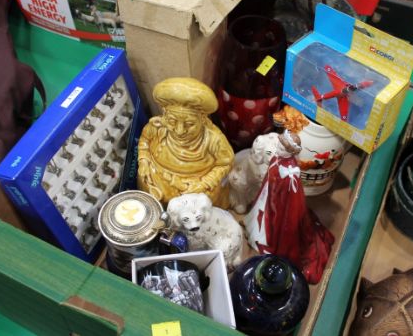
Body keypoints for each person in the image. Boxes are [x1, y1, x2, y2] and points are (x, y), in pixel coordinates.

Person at [244, 130, 334, 284]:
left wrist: (277, 202)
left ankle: (272, 239)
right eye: (279, 145)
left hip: (279, 204)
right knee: (261, 215)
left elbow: (291, 196)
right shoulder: (278, 158)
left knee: (277, 226)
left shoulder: (290, 172)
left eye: (283, 148)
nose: (279, 149)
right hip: (268, 196)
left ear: (290, 152)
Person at [138, 78, 234, 209]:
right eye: (172, 121)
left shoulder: (213, 138)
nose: (179, 131)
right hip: (156, 177)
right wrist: (144, 160)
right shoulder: (157, 126)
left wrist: (204, 183)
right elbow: (144, 141)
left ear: (202, 119)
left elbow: (225, 163)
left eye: (189, 124)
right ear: (165, 115)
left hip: (195, 185)